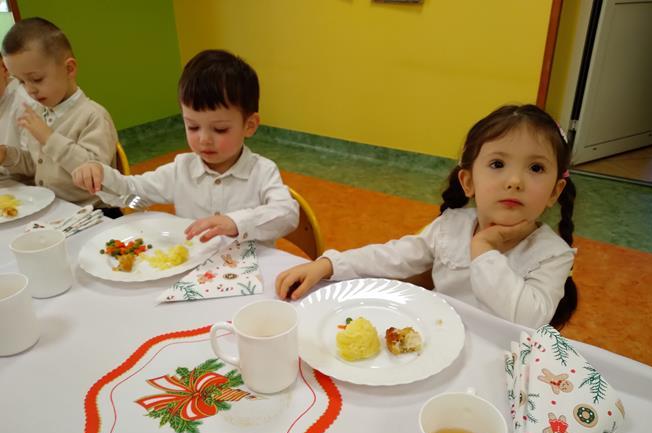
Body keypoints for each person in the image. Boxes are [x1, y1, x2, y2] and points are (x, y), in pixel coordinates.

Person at [276, 104, 578, 329]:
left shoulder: (552, 255)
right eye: (498, 164)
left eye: (536, 168)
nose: (515, 181)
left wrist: (484, 249)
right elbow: (393, 257)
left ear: (555, 190)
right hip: (435, 341)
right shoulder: (451, 226)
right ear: (468, 182)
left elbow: (528, 320)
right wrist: (330, 264)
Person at [72, 49, 298, 244]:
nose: (204, 139)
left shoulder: (262, 171)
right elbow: (133, 194)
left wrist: (236, 222)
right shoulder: (181, 170)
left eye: (219, 129)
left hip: (251, 271)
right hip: (195, 271)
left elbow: (287, 213)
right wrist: (100, 175)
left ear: (249, 125)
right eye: (192, 126)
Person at [0, 17, 118, 204]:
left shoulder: (93, 116)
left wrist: (48, 138)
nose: (29, 89)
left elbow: (95, 172)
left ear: (69, 69)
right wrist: (7, 155)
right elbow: (35, 166)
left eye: (37, 79)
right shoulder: (39, 112)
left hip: (95, 212)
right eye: (21, 81)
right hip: (54, 208)